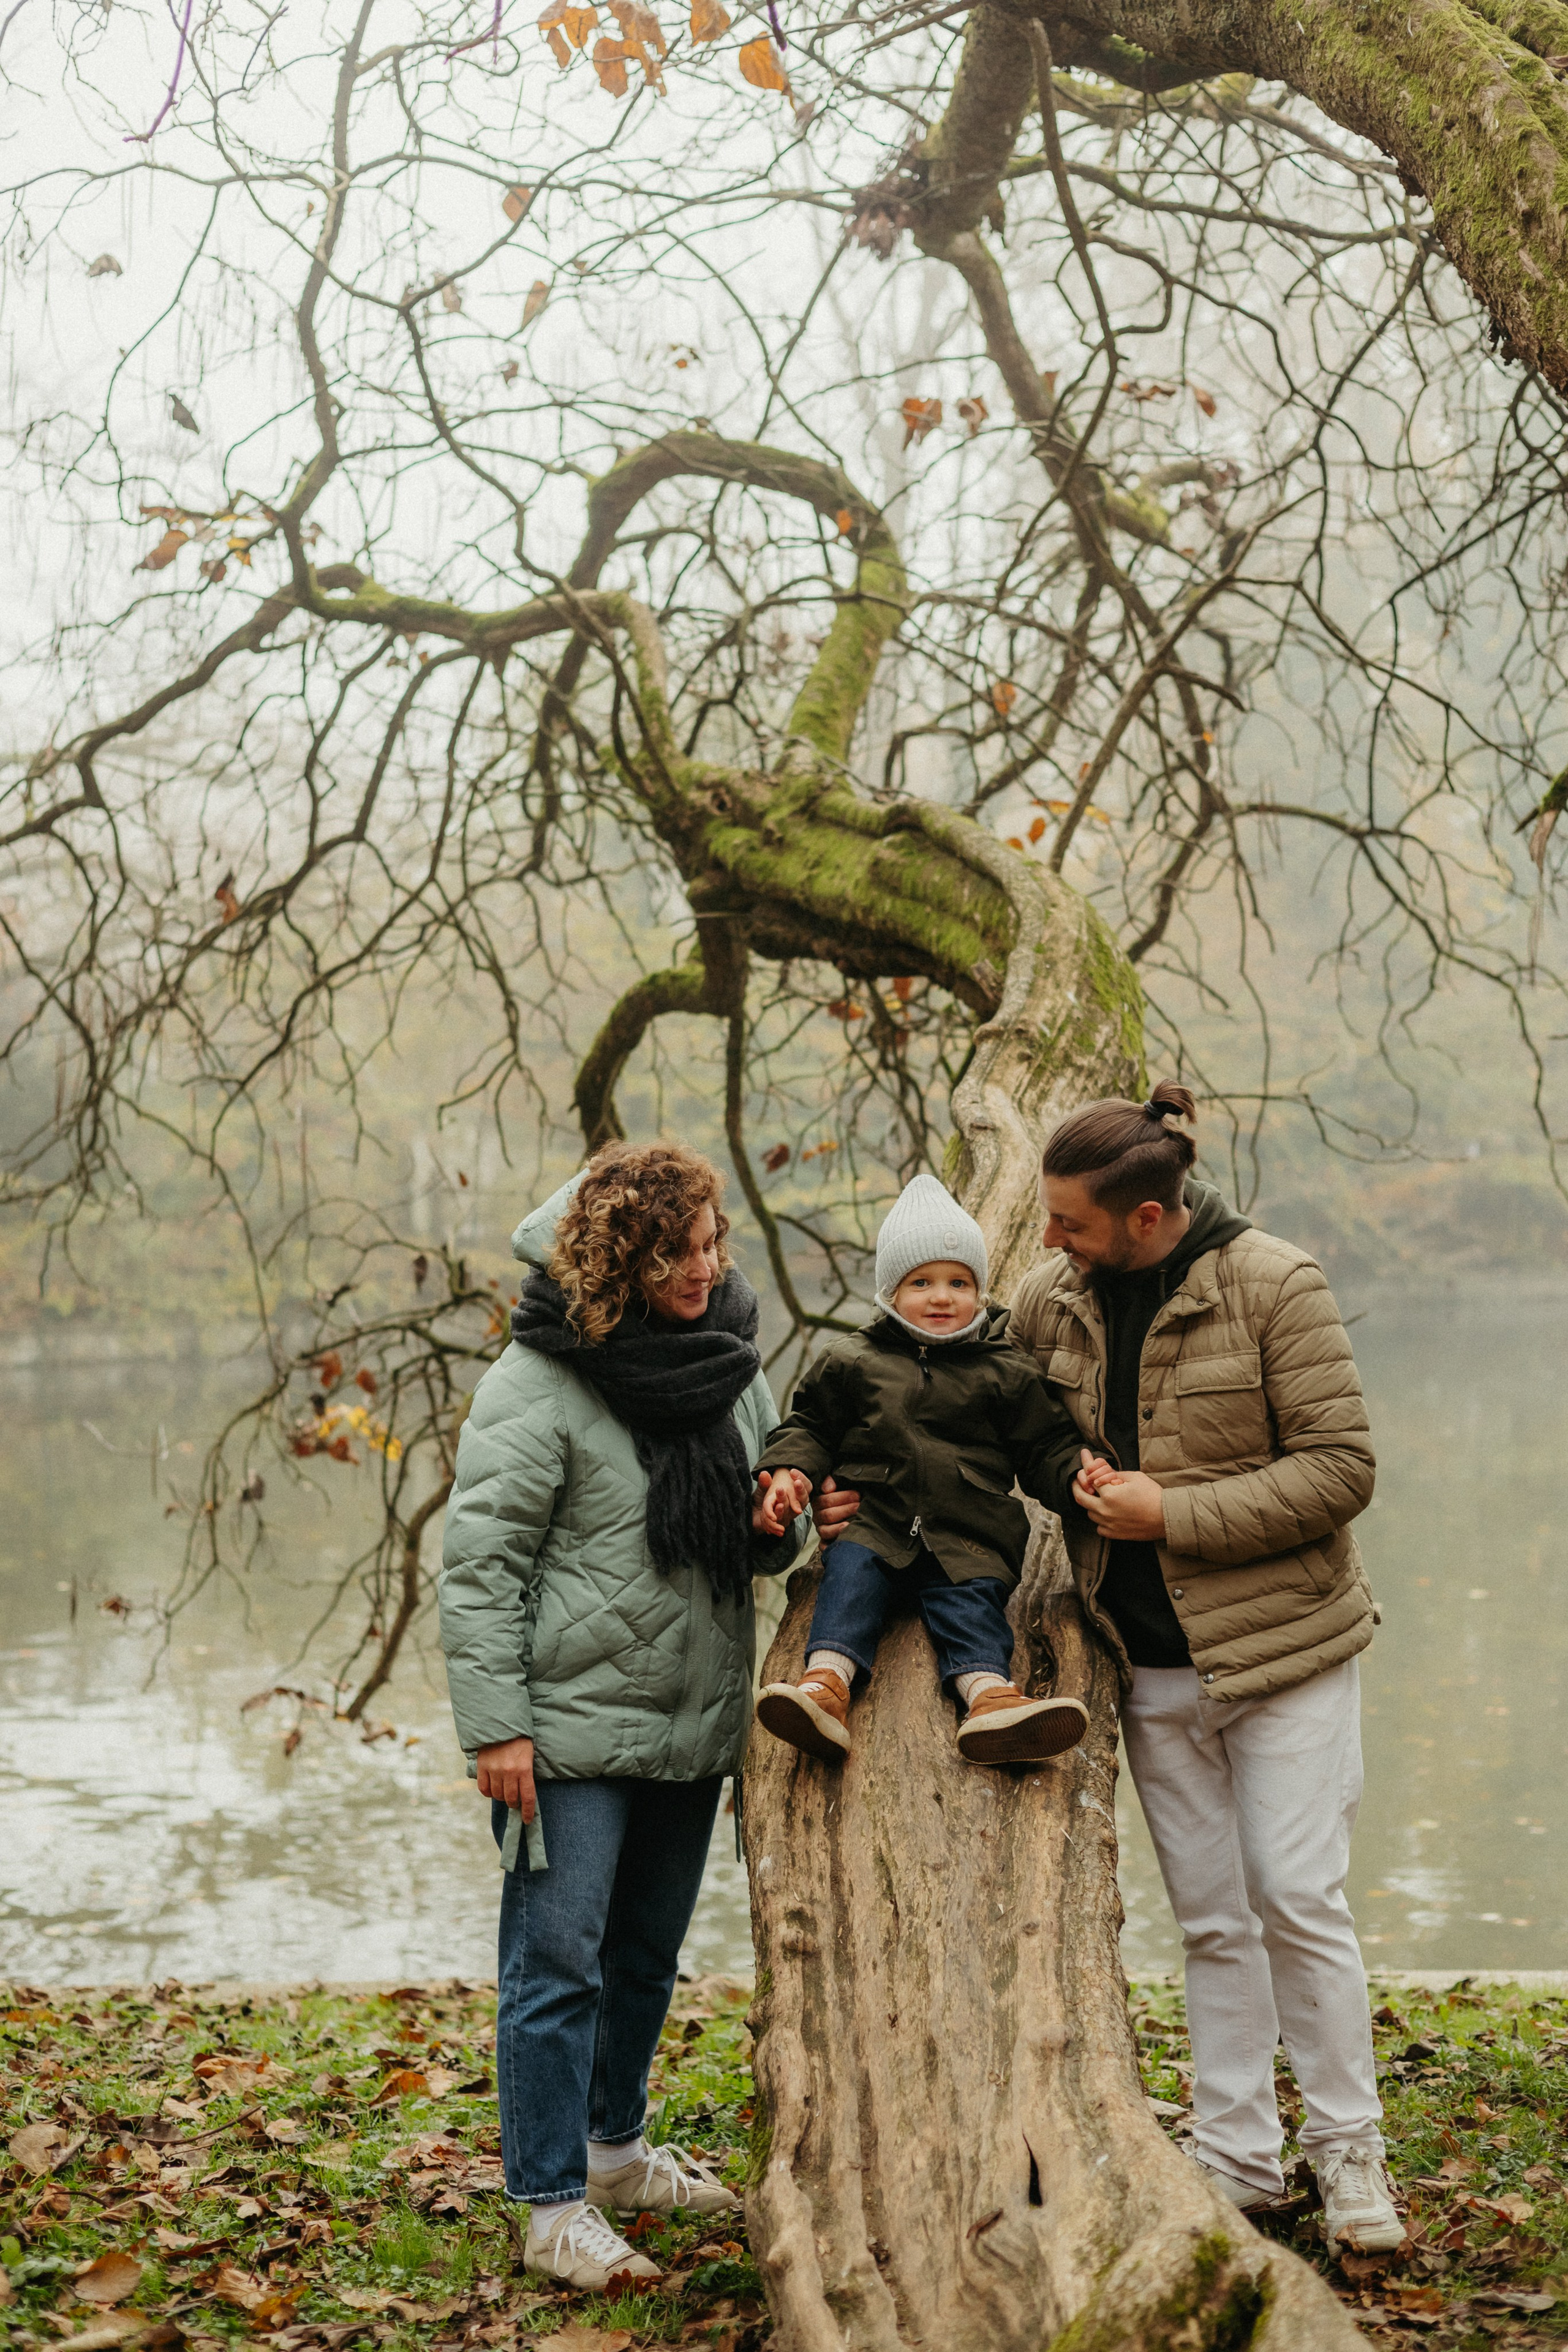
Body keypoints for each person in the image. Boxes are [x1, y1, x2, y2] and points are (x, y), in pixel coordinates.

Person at [439, 1141, 802, 2290]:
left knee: (644, 1958)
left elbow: (755, 1530)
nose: (703, 1269)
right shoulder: (535, 1382)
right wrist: (496, 1727)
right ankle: (551, 2208)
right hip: (570, 1734)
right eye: (674, 1253)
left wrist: (782, 1515)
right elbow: (481, 1568)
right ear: (619, 1259)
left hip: (693, 1722)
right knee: (559, 1964)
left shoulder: (731, 1363)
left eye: (710, 1245)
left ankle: (613, 2155)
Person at [750, 1173, 1091, 1766]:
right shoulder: (853, 1360)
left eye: (959, 1282)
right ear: (889, 1291)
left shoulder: (1003, 1370)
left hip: (969, 1533)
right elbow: (809, 1426)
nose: (942, 1297)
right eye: (921, 1282)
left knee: (972, 1604)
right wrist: (789, 1473)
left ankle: (989, 1700)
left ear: (980, 1291)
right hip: (876, 1522)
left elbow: (1043, 1446)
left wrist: (1076, 1478)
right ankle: (824, 1689)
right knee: (850, 1579)